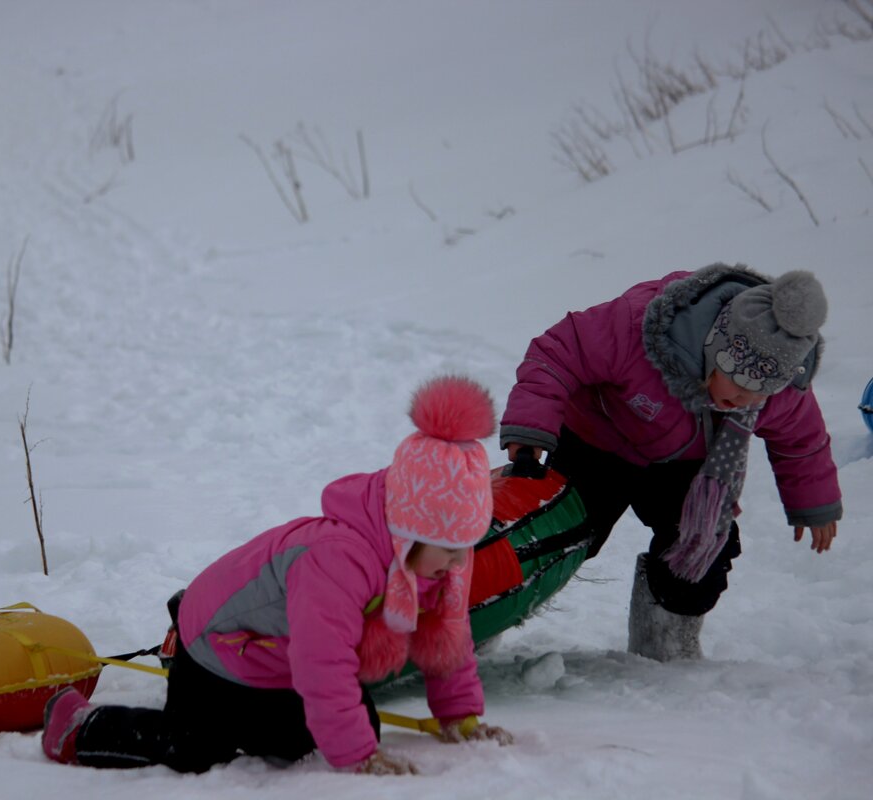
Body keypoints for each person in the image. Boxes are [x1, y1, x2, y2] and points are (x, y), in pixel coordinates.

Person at [42, 375, 513, 775]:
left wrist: (461, 719)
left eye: (465, 546)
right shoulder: (337, 560)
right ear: (409, 531)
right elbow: (323, 662)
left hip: (277, 653)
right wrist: (358, 758)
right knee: (198, 749)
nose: (459, 562)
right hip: (219, 645)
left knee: (348, 730)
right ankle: (78, 726)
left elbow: (447, 636)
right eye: (450, 550)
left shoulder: (442, 551)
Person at [499, 264, 842, 661]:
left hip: (682, 467)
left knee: (704, 546)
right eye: (740, 380)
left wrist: (814, 505)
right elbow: (557, 354)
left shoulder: (778, 385)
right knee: (555, 535)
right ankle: (481, 613)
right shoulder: (640, 326)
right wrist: (530, 430)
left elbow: (802, 441)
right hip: (596, 443)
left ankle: (662, 641)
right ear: (714, 348)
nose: (749, 398)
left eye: (763, 390)